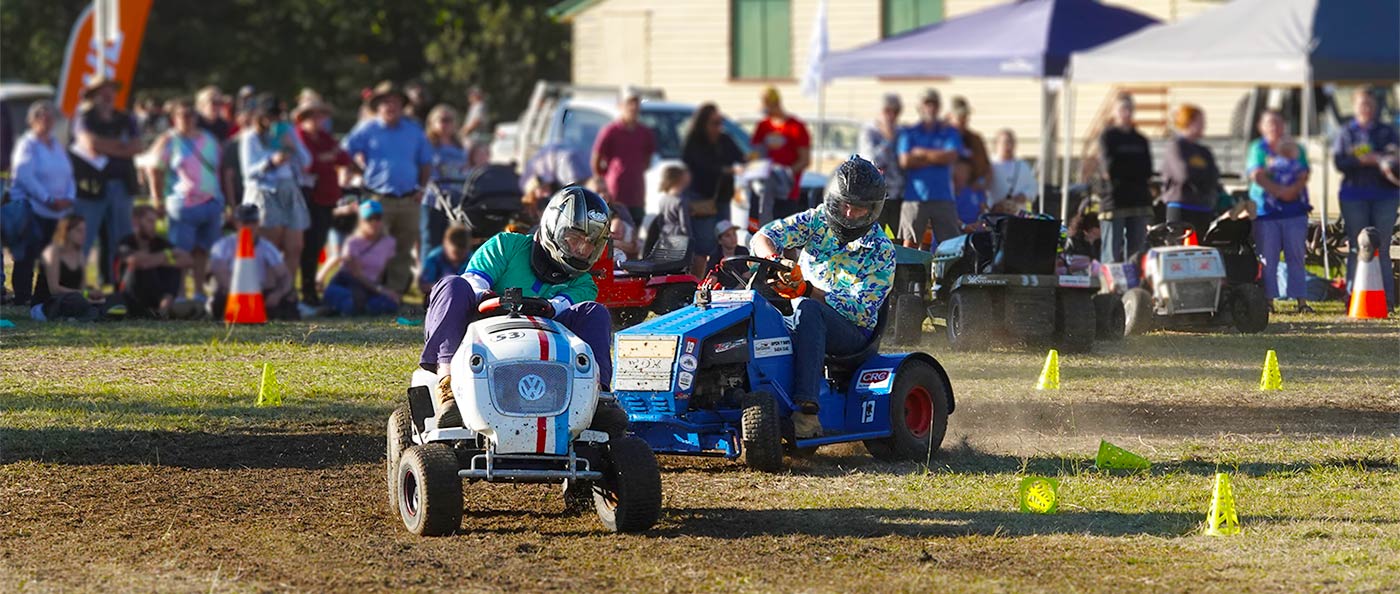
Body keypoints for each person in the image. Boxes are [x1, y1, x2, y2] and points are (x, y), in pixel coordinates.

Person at [420, 187, 618, 431]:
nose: (581, 249)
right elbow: (473, 281)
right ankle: (447, 386)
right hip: (483, 340)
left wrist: (543, 306)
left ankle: (599, 397)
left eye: (590, 243)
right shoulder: (506, 245)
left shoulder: (584, 283)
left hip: (546, 348)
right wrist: (491, 298)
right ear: (554, 227)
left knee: (594, 313)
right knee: (452, 285)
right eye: (575, 237)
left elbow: (560, 306)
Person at [750, 157, 894, 438]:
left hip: (851, 332)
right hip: (800, 311)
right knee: (753, 308)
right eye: (844, 204)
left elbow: (861, 312)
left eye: (859, 208)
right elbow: (765, 235)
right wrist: (773, 259)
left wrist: (807, 291)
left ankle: (806, 413)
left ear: (873, 210)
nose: (849, 213)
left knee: (808, 309)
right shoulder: (817, 219)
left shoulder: (881, 250)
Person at [342, 81, 433, 294]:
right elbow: (344, 152)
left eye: (395, 102)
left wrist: (421, 188)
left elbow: (426, 162)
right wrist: (358, 171)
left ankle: (394, 294)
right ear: (377, 106)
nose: (390, 107)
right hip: (377, 198)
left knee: (403, 249)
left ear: (402, 106)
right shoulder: (367, 129)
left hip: (409, 199)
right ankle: (370, 291)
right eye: (385, 102)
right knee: (373, 246)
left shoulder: (414, 130)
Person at [147, 97, 223, 305]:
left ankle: (198, 290)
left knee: (202, 251)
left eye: (191, 115)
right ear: (174, 118)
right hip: (182, 203)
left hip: (210, 201)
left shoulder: (209, 138)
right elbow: (154, 169)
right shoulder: (168, 140)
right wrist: (157, 199)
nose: (188, 119)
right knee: (180, 251)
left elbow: (218, 169)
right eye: (183, 115)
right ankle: (178, 292)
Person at [71, 76, 144, 286]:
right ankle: (74, 286)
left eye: (111, 90)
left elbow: (137, 147)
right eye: (103, 91)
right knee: (83, 238)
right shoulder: (84, 118)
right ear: (93, 95)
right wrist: (121, 146)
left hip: (122, 186)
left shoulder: (126, 118)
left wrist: (106, 146)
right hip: (90, 188)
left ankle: (120, 285)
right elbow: (90, 145)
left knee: (121, 240)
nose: (108, 95)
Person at [1333, 89, 1400, 310]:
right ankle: (1354, 298)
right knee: (1357, 246)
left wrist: (1380, 159)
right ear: (1355, 107)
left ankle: (1386, 301)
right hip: (1354, 197)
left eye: (1370, 105)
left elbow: (1396, 158)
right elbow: (1340, 162)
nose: (1366, 109)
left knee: (1382, 246)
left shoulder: (1387, 131)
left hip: (1384, 196)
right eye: (1362, 104)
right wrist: (1361, 161)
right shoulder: (1346, 132)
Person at [240, 94, 311, 295]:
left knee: (295, 246)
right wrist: (271, 162)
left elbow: (306, 161)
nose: (273, 120)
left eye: (277, 115)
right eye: (269, 116)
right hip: (265, 192)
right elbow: (248, 171)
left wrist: (292, 145)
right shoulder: (250, 137)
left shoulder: (287, 131)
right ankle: (268, 290)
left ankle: (287, 292)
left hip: (289, 189)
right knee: (270, 247)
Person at [9, 100, 75, 306]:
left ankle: (43, 295)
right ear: (32, 120)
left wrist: (69, 198)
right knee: (26, 255)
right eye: (41, 116)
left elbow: (68, 174)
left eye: (49, 117)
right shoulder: (27, 144)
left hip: (57, 211)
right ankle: (22, 297)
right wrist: (48, 199)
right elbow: (24, 176)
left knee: (51, 255)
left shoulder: (56, 145)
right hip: (32, 208)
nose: (46, 121)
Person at [1248, 110, 1313, 313]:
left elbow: (1303, 173)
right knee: (1268, 257)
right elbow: (1256, 174)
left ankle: (1301, 302)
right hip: (1267, 212)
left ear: (1283, 125)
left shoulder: (1295, 147)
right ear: (1261, 127)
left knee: (1296, 256)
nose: (1274, 127)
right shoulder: (1259, 148)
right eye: (1269, 123)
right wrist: (1278, 191)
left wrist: (1290, 192)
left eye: (1277, 122)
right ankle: (1269, 301)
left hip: (1294, 211)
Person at [293, 96, 351, 306]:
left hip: (326, 197)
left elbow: (343, 158)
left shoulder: (324, 137)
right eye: (312, 115)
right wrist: (328, 157)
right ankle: (305, 290)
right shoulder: (299, 137)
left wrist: (326, 157)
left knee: (317, 245)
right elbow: (309, 164)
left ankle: (309, 290)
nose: (317, 119)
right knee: (306, 245)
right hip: (308, 196)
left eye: (320, 115)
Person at [682, 102, 745, 276]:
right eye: (714, 123)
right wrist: (725, 170)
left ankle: (721, 281)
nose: (719, 127)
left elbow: (740, 156)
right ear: (703, 123)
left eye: (720, 122)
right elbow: (698, 166)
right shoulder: (694, 142)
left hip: (723, 198)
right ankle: (696, 285)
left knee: (725, 241)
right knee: (704, 247)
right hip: (701, 198)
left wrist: (752, 160)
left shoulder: (724, 139)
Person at [897, 88, 963, 249]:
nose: (930, 108)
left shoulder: (949, 132)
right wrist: (937, 159)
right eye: (927, 104)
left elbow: (951, 156)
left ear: (938, 106)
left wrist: (922, 153)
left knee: (950, 245)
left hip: (943, 197)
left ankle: (947, 275)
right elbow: (905, 161)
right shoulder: (909, 132)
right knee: (910, 244)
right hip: (915, 196)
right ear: (920, 107)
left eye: (934, 104)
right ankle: (910, 274)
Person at [208, 203, 298, 320]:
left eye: (253, 222)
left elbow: (285, 276)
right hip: (232, 293)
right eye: (245, 223)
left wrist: (277, 294)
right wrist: (238, 292)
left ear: (258, 223)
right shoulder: (223, 246)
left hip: (260, 294)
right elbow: (218, 270)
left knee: (289, 299)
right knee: (220, 299)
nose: (250, 227)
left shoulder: (267, 248)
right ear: (236, 223)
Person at [1097, 93, 1153, 263]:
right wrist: (1130, 170)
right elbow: (1108, 169)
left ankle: (1134, 286)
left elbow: (1147, 170)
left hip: (1138, 199)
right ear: (1114, 112)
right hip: (1114, 200)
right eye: (1122, 109)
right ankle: (1110, 286)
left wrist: (1126, 169)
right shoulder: (1108, 137)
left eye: (1129, 109)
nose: (1126, 113)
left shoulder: (1140, 139)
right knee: (1111, 252)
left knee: (1136, 253)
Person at [321, 200, 400, 316]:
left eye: (377, 218)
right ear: (361, 222)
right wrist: (380, 290)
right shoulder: (352, 242)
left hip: (369, 288)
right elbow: (357, 275)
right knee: (351, 303)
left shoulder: (389, 243)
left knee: (390, 303)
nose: (374, 222)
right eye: (369, 219)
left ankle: (355, 307)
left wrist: (385, 292)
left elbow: (380, 273)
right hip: (348, 284)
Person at [591, 86, 656, 223]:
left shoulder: (645, 132)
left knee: (634, 229)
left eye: (636, 102)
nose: (633, 107)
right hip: (615, 193)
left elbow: (648, 159)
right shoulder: (611, 131)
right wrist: (605, 178)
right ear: (621, 105)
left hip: (637, 193)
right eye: (629, 102)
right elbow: (596, 158)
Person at [32, 214, 112, 322]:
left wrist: (95, 295)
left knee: (109, 298)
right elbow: (54, 290)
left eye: (84, 231)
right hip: (47, 304)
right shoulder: (52, 253)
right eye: (79, 231)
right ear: (66, 232)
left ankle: (85, 315)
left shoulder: (80, 254)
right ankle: (89, 315)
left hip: (74, 299)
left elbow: (82, 288)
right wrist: (85, 294)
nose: (83, 235)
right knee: (75, 300)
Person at [117, 205, 191, 318]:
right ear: (136, 221)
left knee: (174, 267)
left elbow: (188, 259)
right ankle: (160, 310)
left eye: (155, 222)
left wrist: (159, 259)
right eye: (149, 221)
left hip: (155, 294)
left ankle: (164, 308)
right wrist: (165, 256)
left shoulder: (160, 242)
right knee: (139, 267)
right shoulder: (126, 242)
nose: (153, 226)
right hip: (130, 296)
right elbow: (137, 261)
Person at [751, 87, 811, 216]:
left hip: (787, 192)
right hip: (764, 191)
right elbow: (755, 153)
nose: (765, 110)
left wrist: (785, 174)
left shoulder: (796, 127)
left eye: (767, 105)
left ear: (776, 104)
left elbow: (804, 160)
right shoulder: (763, 126)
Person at [1161, 104, 1221, 233]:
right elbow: (1183, 174)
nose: (1204, 125)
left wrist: (1202, 177)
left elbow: (1214, 174)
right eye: (1200, 122)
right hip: (1181, 205)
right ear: (1188, 122)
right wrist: (1203, 176)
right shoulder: (1176, 147)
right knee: (1181, 249)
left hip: (1203, 206)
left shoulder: (1204, 151)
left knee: (1200, 249)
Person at [422, 104, 468, 258]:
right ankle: (428, 276)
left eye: (450, 120)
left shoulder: (460, 146)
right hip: (433, 199)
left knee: (454, 240)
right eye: (442, 120)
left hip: (456, 199)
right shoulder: (427, 145)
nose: (446, 124)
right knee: (431, 239)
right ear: (432, 123)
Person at [857, 93, 904, 234]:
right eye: (887, 111)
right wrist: (888, 140)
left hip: (898, 195)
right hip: (875, 196)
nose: (891, 116)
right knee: (874, 237)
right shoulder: (870, 131)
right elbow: (872, 160)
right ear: (880, 111)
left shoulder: (901, 133)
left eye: (895, 111)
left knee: (899, 239)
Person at [947, 96, 991, 209]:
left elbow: (987, 169)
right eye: (959, 117)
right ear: (949, 116)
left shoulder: (975, 140)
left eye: (965, 116)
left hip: (971, 196)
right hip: (946, 197)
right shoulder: (940, 139)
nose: (963, 120)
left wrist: (981, 183)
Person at [988, 129, 1037, 213]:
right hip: (996, 214)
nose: (1009, 146)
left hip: (1018, 214)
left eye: (1011, 142)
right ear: (997, 144)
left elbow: (1033, 187)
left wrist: (1024, 196)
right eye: (1005, 142)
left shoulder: (1023, 165)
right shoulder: (990, 165)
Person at [654, 163, 693, 265]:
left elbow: (660, 221)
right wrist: (690, 240)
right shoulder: (680, 201)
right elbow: (684, 225)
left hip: (665, 236)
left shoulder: (663, 199)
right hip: (679, 238)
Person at [419, 224, 472, 296]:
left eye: (463, 253)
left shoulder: (472, 260)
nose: (460, 257)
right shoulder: (434, 258)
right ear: (446, 244)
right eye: (456, 253)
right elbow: (425, 286)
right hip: (438, 297)